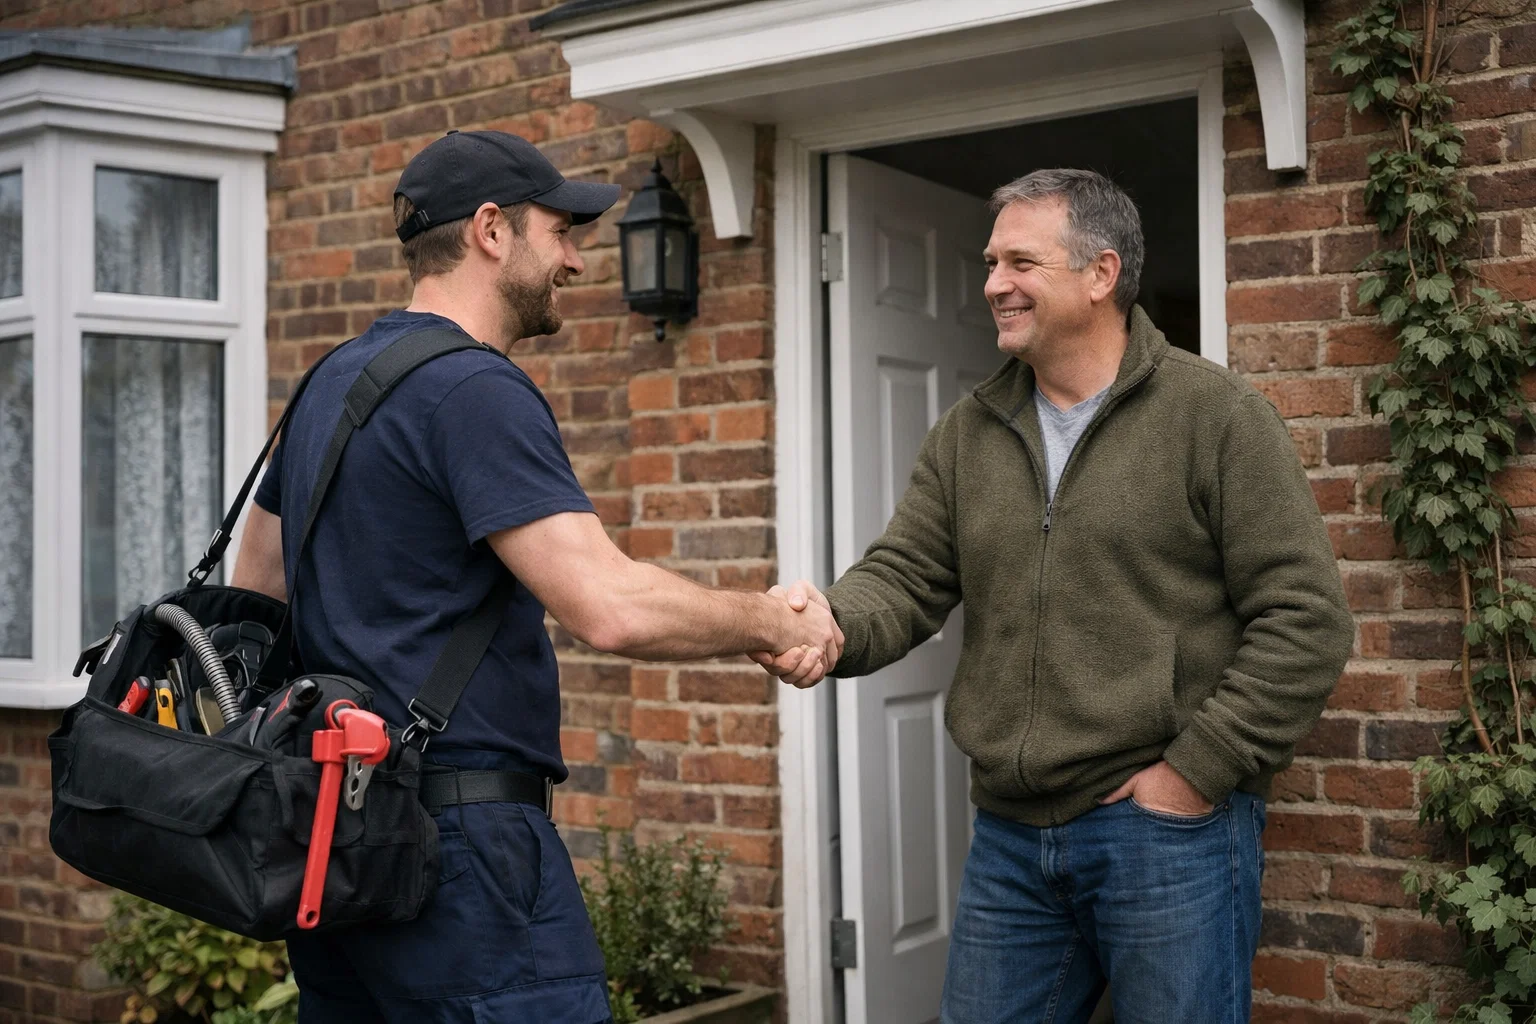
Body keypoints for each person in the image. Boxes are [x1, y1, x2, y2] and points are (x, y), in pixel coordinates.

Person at [231, 129, 840, 1024]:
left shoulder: (329, 383)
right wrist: (775, 621)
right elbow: (610, 607)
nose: (579, 263)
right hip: (459, 854)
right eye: (562, 232)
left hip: (340, 844)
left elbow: (257, 592)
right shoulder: (473, 389)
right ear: (490, 229)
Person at [761, 168, 1354, 1023]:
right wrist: (833, 625)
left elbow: (1307, 619)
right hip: (1009, 835)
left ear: (1100, 274)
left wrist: (1194, 774)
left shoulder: (1215, 416)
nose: (994, 283)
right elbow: (908, 574)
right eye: (991, 261)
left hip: (1164, 833)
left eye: (1020, 263)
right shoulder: (969, 431)